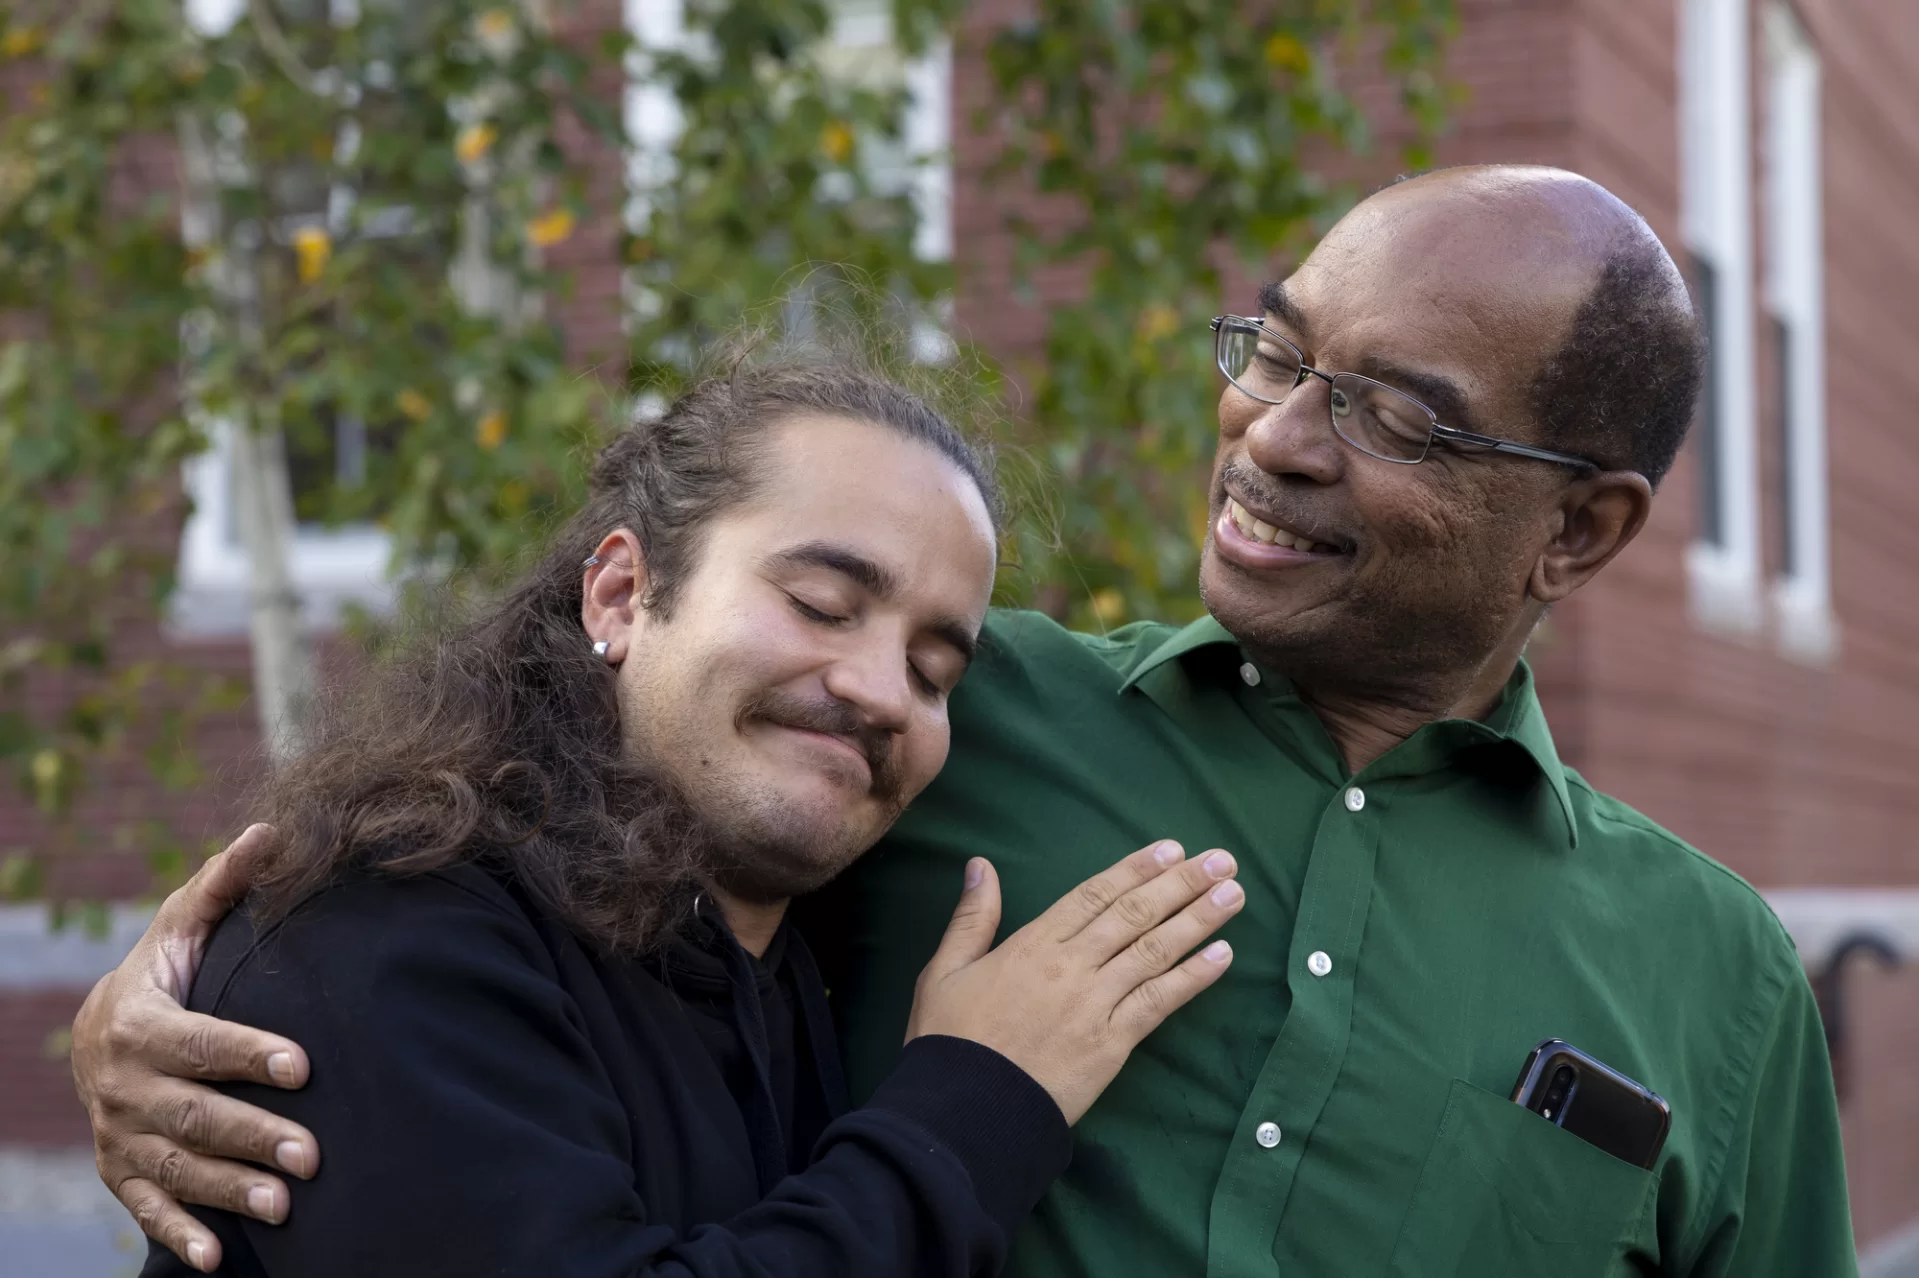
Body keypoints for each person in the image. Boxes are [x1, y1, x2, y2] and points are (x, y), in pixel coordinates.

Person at [75, 166, 1857, 1276]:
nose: (1273, 438)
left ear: (1583, 527)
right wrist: (178, 992)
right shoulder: (927, 722)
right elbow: (503, 838)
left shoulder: (1711, 976)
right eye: (1274, 348)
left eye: (1395, 412)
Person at [90, 343, 1248, 1276]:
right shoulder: (383, 937)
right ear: (621, 591)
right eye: (820, 601)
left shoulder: (791, 951)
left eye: (936, 671)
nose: (877, 691)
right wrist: (979, 1103)